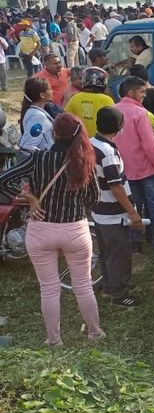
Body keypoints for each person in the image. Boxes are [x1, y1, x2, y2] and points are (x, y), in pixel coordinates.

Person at [0, 113, 103, 346]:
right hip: (75, 229)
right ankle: (95, 333)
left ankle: (54, 340)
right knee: (83, 286)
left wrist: (30, 198)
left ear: (54, 133)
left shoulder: (38, 158)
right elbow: (94, 197)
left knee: (48, 289)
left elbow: (4, 179)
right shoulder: (83, 160)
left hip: (41, 229)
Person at [91, 106, 143, 307]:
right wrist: (132, 212)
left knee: (106, 253)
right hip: (114, 213)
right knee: (119, 254)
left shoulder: (92, 143)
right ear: (118, 127)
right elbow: (117, 187)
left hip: (99, 210)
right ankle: (120, 295)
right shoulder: (108, 153)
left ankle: (109, 286)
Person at [114, 76, 154, 255]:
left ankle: (135, 243)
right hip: (147, 169)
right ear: (131, 92)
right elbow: (149, 144)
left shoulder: (113, 110)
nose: (144, 95)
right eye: (142, 92)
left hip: (124, 169)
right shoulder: (140, 113)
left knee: (133, 207)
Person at [65, 67, 115, 137]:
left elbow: (66, 117)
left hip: (81, 140)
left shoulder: (76, 97)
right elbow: (114, 121)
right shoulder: (107, 99)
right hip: (100, 140)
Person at [20, 77, 56, 153]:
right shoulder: (37, 116)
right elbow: (27, 146)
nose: (52, 91)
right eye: (49, 89)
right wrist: (46, 156)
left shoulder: (36, 112)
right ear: (42, 95)